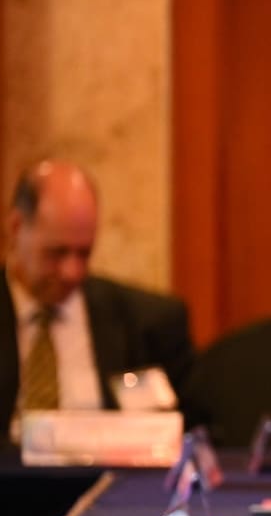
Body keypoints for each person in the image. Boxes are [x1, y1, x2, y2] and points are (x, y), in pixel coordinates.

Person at [1, 159, 195, 445]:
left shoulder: (146, 323)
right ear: (16, 227)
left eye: (84, 254)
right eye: (57, 253)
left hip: (109, 481)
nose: (72, 272)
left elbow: (190, 434)